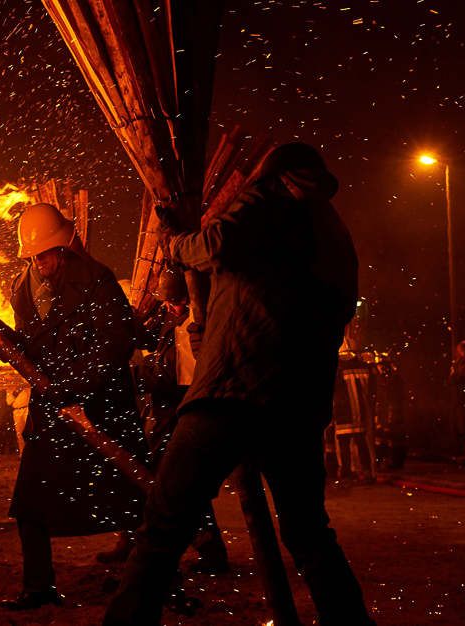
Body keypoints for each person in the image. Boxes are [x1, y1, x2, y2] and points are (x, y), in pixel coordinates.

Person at [103, 143, 376, 625]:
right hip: (298, 405)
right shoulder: (332, 229)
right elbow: (281, 293)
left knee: (162, 528)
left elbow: (214, 247)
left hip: (232, 391)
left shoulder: (267, 200)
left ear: (272, 174)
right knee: (310, 534)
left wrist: (178, 243)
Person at [0, 202, 150, 610]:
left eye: (46, 252)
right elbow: (29, 351)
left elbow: (117, 342)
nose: (40, 261)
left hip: (101, 410)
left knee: (134, 503)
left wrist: (74, 386)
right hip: (53, 414)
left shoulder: (97, 280)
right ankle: (38, 588)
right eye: (33, 255)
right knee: (30, 505)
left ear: (64, 246)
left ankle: (161, 584)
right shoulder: (23, 289)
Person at [97, 269, 229, 580]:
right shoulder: (170, 316)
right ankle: (132, 540)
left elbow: (167, 376)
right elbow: (145, 335)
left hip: (179, 414)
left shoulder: (194, 325)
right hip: (157, 416)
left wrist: (117, 378)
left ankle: (210, 550)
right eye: (167, 302)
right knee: (142, 479)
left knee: (179, 486)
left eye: (176, 302)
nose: (170, 307)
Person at [331, 345, 376, 487]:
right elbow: (372, 390)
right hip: (361, 413)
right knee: (362, 443)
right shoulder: (364, 367)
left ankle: (346, 477)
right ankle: (368, 472)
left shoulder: (337, 369)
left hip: (343, 414)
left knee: (344, 447)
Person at [374, 353, 407, 469]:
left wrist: (392, 415)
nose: (380, 367)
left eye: (382, 364)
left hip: (394, 413)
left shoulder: (395, 378)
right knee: (382, 438)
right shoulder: (380, 378)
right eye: (378, 364)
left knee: (396, 438)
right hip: (384, 413)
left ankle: (397, 463)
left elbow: (395, 398)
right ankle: (378, 461)